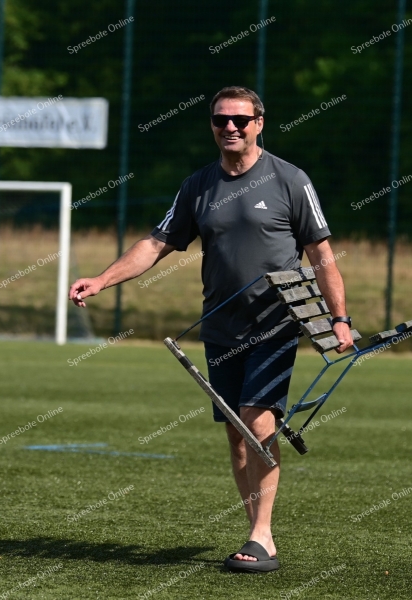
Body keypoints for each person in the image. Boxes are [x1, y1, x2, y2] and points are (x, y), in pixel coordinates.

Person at [69, 86, 353, 573]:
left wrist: (339, 318)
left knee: (256, 421)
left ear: (259, 123)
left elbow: (321, 255)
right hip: (220, 329)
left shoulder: (290, 180)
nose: (231, 127)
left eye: (241, 120)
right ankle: (255, 531)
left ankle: (262, 535)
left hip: (276, 324)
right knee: (237, 435)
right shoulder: (198, 185)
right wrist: (102, 279)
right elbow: (156, 243)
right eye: (221, 120)